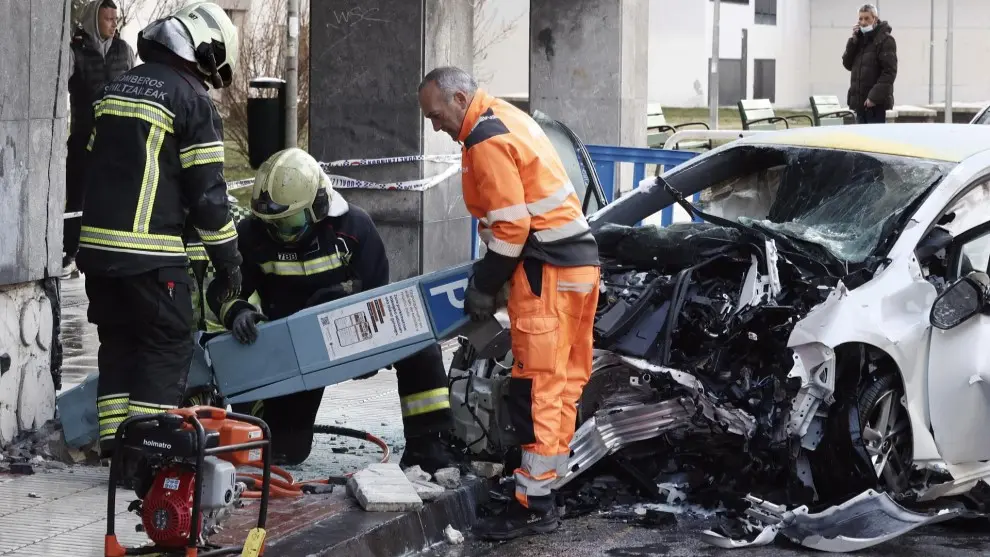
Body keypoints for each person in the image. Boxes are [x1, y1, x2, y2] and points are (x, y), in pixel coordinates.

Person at [418, 66, 601, 540]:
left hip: (546, 272)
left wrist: (485, 284)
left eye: (436, 115)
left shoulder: (485, 136)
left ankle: (532, 506)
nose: (434, 126)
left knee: (535, 388)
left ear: (460, 98)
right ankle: (541, 491)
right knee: (561, 385)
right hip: (578, 268)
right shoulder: (510, 119)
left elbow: (511, 227)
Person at [206, 147, 458, 472]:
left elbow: (377, 298)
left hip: (354, 336)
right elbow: (220, 290)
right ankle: (258, 417)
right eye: (273, 223)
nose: (281, 232)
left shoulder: (354, 229)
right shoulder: (254, 236)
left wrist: (363, 347)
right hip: (292, 355)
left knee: (420, 345)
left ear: (319, 204)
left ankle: (428, 446)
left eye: (290, 221)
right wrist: (238, 312)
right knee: (286, 451)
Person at [77, 1, 243, 458]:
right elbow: (208, 196)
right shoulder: (190, 99)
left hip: (97, 253)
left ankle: (114, 447)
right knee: (166, 344)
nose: (209, 80)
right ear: (202, 48)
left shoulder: (113, 90)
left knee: (119, 345)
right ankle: (143, 455)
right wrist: (229, 263)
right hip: (151, 257)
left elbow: (92, 164)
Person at [64, 0, 136, 274]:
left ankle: (114, 249)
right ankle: (71, 251)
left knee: (116, 194)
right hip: (83, 136)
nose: (113, 24)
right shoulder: (77, 51)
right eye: (108, 19)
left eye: (115, 19)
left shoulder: (124, 51)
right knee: (78, 196)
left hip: (115, 138)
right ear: (95, 21)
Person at [842, 3, 897, 124]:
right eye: (860, 18)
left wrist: (874, 97)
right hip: (859, 103)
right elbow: (847, 64)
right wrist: (853, 41)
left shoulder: (885, 40)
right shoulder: (859, 40)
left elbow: (889, 72)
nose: (863, 22)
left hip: (875, 104)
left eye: (867, 18)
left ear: (875, 19)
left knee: (875, 140)